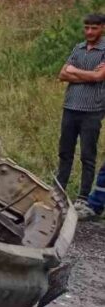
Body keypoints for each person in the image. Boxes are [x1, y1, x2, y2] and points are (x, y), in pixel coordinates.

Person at [55, 13, 105, 218]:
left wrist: (75, 72)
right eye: (86, 28)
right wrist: (89, 75)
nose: (89, 32)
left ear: (102, 28)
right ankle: (58, 191)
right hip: (71, 107)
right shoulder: (78, 48)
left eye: (94, 28)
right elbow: (62, 74)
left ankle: (83, 198)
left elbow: (100, 76)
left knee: (87, 155)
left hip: (92, 110)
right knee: (65, 152)